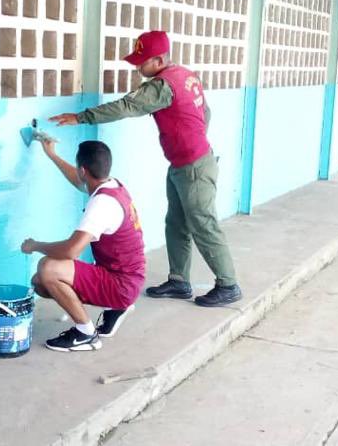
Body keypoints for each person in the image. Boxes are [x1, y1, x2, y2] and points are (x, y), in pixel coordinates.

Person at [49, 30, 241, 307]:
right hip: (184, 163)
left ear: (160, 59)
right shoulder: (186, 75)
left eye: (143, 62)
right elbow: (206, 113)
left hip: (194, 168)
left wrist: (81, 117)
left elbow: (128, 106)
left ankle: (228, 284)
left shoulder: (162, 86)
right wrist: (193, 139)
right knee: (176, 224)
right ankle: (179, 280)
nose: (138, 68)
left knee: (203, 224)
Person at [21, 139, 145, 352]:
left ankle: (86, 333)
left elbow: (71, 250)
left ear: (83, 170)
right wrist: (52, 154)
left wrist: (35, 245)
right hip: (126, 275)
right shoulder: (112, 186)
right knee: (40, 283)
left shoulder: (101, 205)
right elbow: (79, 180)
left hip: (121, 284)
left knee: (48, 268)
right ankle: (116, 307)